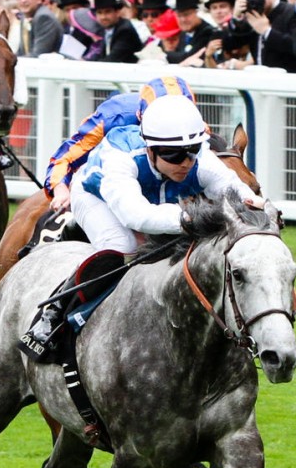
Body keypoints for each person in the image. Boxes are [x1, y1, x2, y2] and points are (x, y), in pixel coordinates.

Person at [18, 94, 262, 355]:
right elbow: (136, 215)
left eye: (191, 152)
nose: (185, 163)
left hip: (152, 197)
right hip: (97, 197)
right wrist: (189, 218)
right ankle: (54, 314)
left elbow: (235, 189)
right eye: (172, 155)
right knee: (122, 245)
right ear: (149, 149)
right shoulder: (120, 157)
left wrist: (258, 205)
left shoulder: (201, 159)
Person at [45, 76, 196, 211]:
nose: (173, 130)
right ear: (139, 115)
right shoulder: (112, 119)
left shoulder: (192, 126)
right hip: (106, 178)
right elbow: (65, 157)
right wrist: (60, 189)